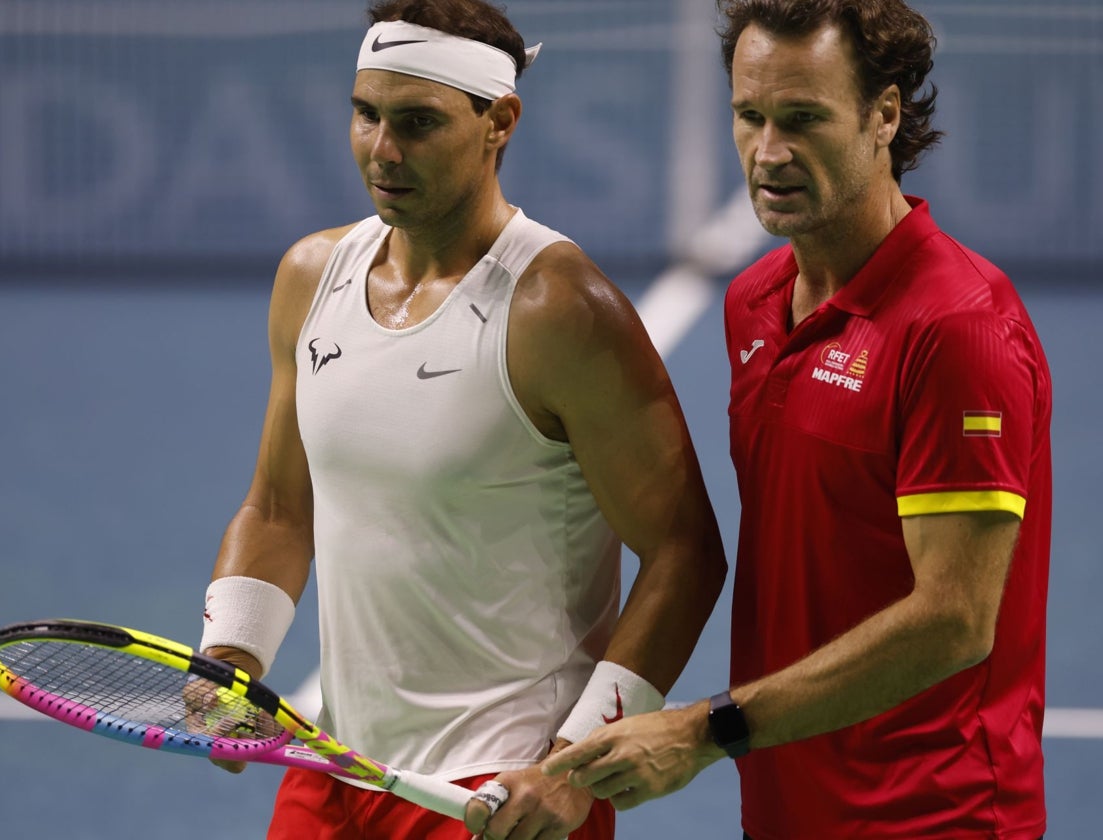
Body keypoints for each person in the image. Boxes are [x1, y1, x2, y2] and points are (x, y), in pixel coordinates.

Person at [196, 1, 729, 839]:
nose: (383, 149)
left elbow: (685, 551)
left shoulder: (561, 310)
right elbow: (277, 507)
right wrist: (232, 656)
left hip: (502, 795)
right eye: (366, 114)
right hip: (336, 769)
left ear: (499, 122)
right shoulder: (311, 276)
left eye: (418, 122)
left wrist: (575, 764)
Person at [545, 1, 1053, 838]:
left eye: (804, 119)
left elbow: (955, 619)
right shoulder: (754, 303)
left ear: (885, 114)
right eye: (751, 116)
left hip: (933, 814)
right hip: (789, 801)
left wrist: (703, 731)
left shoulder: (958, 328)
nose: (769, 152)